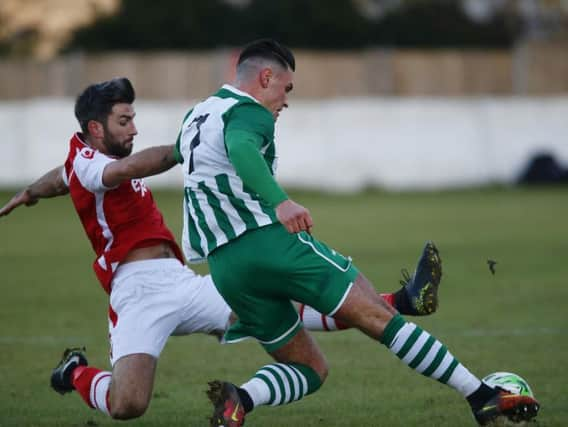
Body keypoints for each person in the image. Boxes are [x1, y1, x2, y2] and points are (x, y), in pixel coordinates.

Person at [0, 77, 443, 421]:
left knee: (271, 303)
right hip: (134, 293)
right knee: (126, 405)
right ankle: (74, 370)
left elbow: (62, 177)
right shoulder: (97, 163)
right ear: (95, 128)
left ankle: (399, 302)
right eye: (124, 121)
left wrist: (30, 192)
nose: (133, 128)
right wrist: (185, 148)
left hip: (179, 279)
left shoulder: (82, 159)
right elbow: (127, 168)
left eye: (133, 119)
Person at [170, 39, 539, 426]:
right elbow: (242, 148)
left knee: (310, 368)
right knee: (380, 319)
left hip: (225, 268)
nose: (286, 100)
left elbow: (174, 154)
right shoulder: (250, 113)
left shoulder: (198, 114)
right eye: (286, 88)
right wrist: (280, 201)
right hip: (268, 243)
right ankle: (480, 395)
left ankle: (241, 399)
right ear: (266, 77)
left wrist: (108, 171)